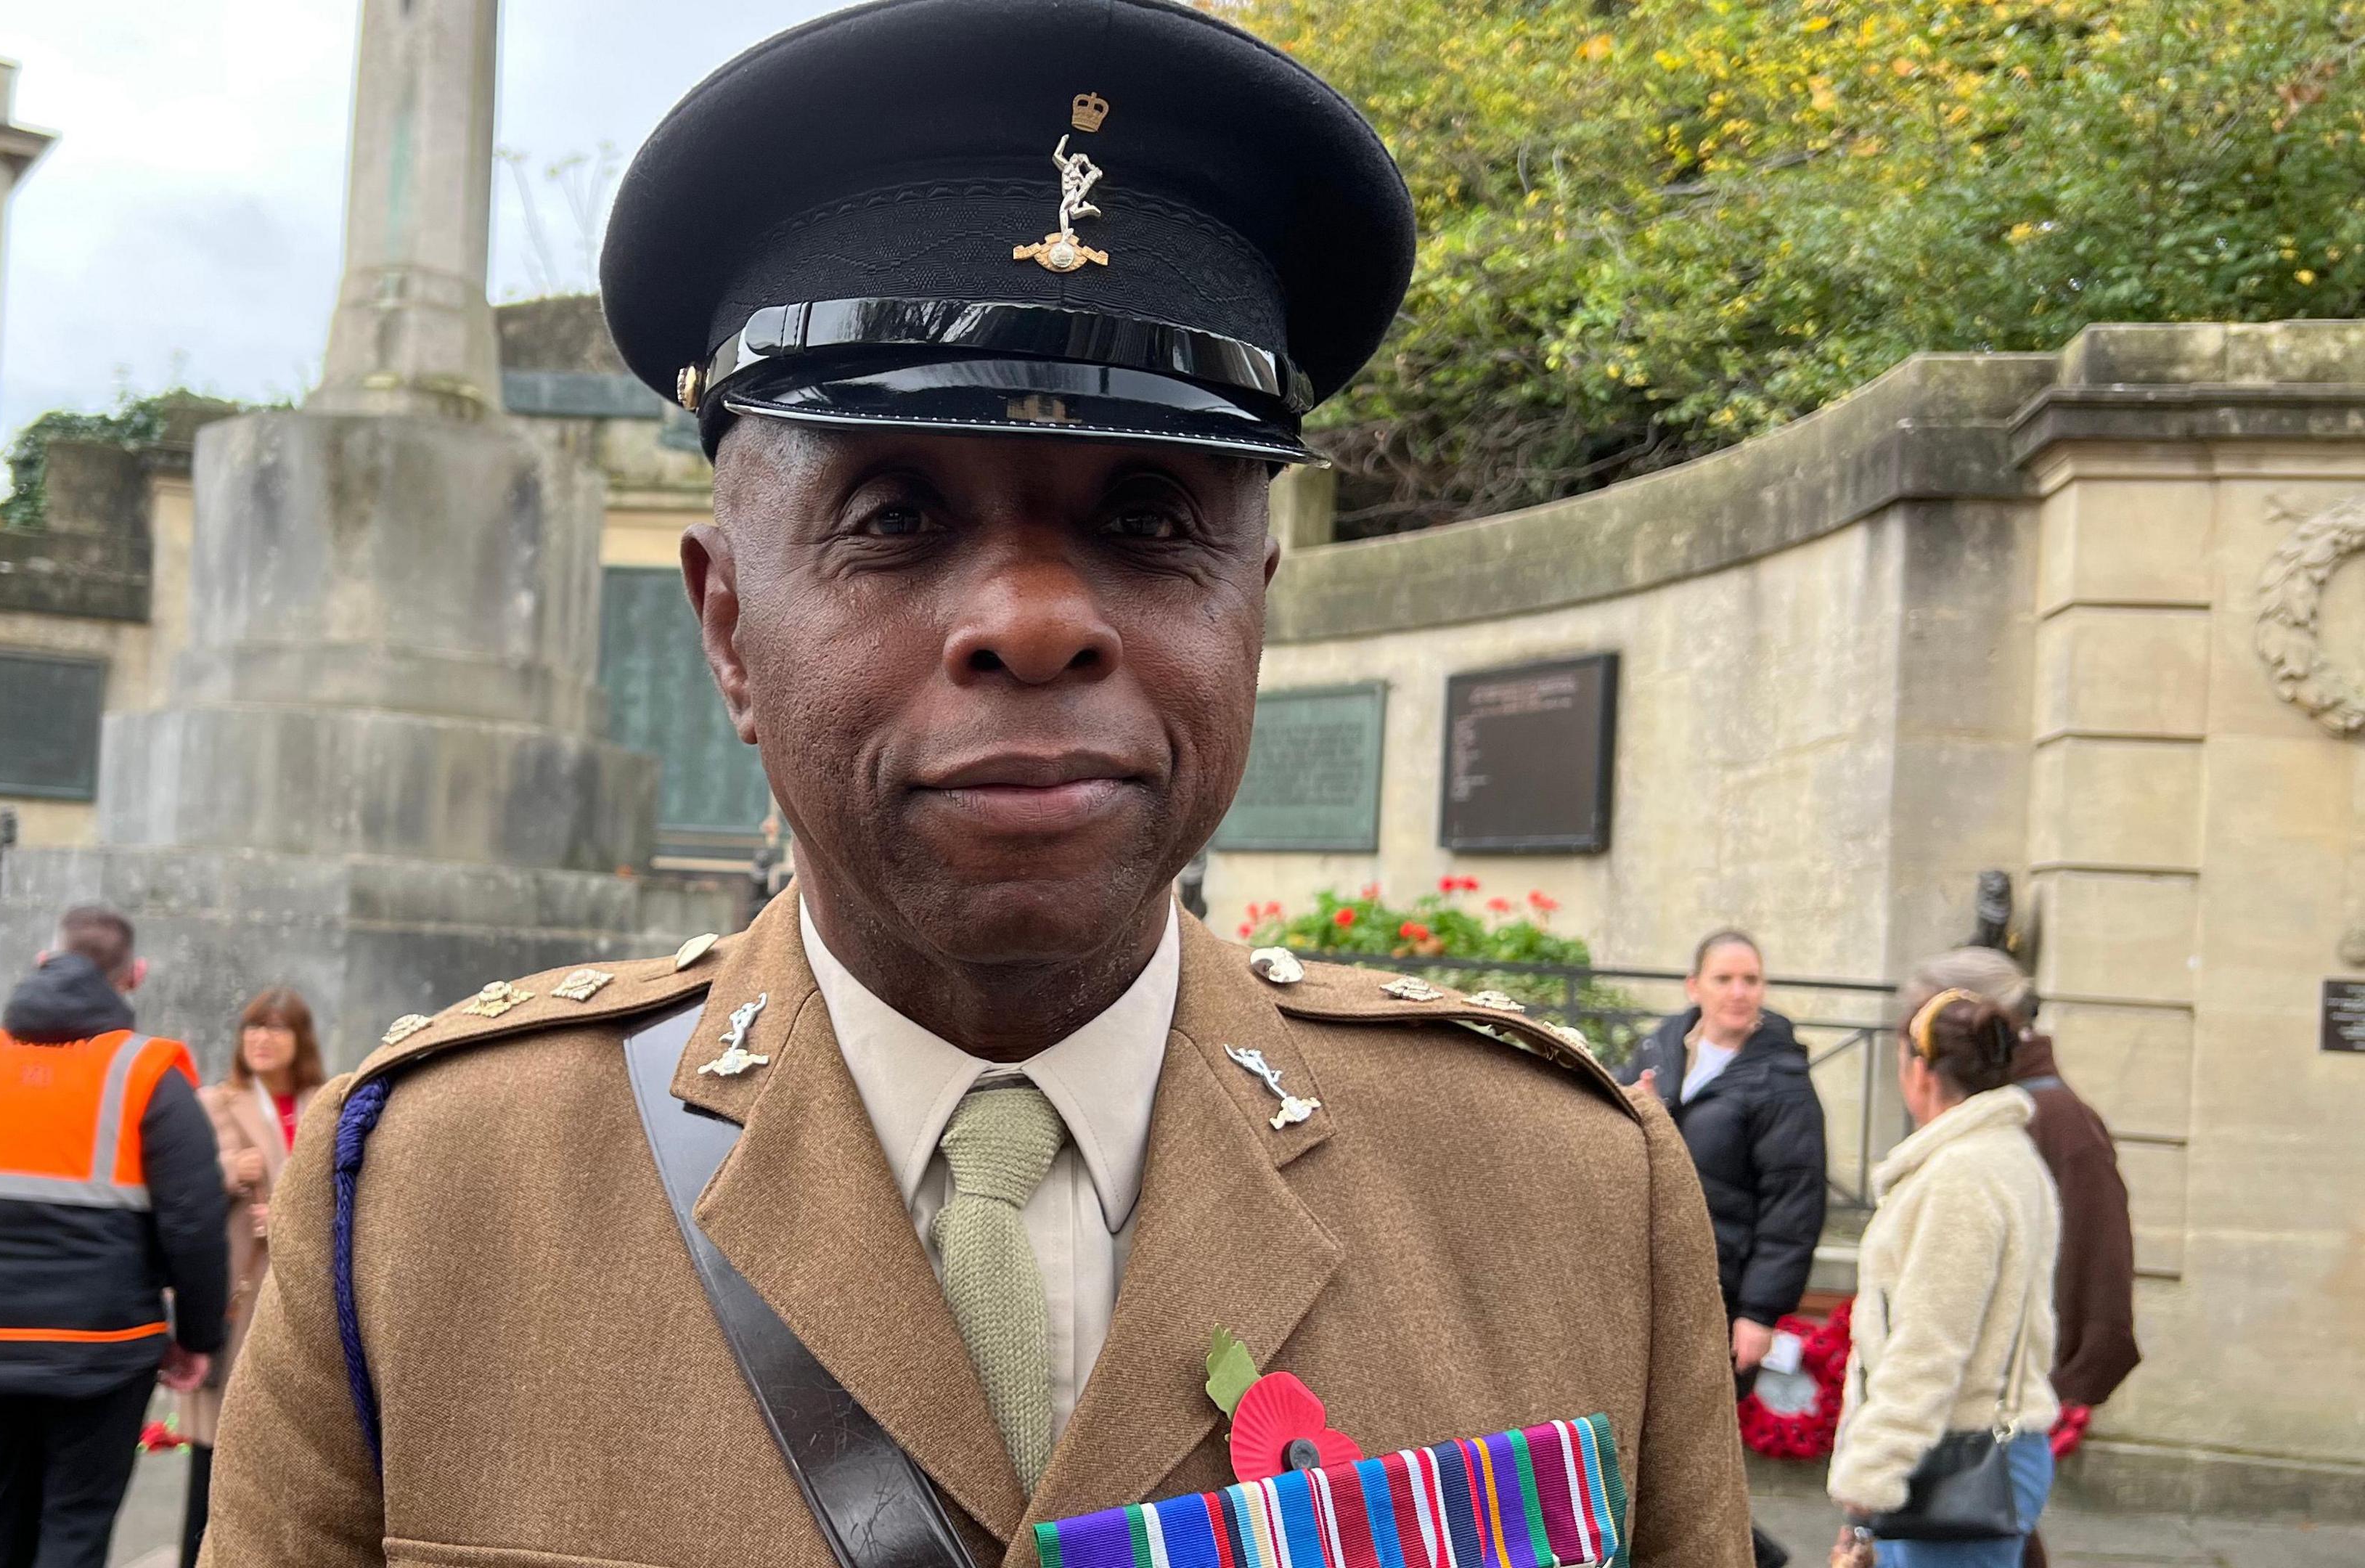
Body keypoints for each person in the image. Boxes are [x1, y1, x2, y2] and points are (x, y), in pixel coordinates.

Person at [201, 4, 1752, 1565]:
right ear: (730, 627)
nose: (1034, 620)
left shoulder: (1566, 1200)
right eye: (893, 517)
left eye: (1149, 518)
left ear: (1255, 606)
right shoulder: (423, 1208)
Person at [0, 905, 229, 1568]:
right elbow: (194, 1222)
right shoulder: (149, 1074)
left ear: (43, 960)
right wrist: (198, 1339)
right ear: (134, 975)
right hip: (103, 1344)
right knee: (75, 1524)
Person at [1900, 951, 2139, 1568]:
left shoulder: (2053, 1120)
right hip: (1961, 1416)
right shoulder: (1988, 1118)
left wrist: (2058, 1383)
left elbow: (2096, 1263)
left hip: (1994, 1414)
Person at [1829, 991, 2059, 1568]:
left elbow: (1931, 1342)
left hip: (1954, 1462)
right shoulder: (2003, 1154)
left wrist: (1873, 1469)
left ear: (1921, 1070)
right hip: (1970, 1454)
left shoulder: (1962, 1174)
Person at [1619, 930, 1826, 1568]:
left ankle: (1751, 1558)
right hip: (1649, 1283)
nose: (1739, 993)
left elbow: (1794, 1205)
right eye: (1725, 979)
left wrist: (1761, 1313)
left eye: (1751, 980)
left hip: (1724, 1290)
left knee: (1698, 1452)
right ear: (1694, 987)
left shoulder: (1782, 1080)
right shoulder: (1659, 1050)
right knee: (1654, 1448)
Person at [178, 988, 329, 1568]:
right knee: (215, 1451)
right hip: (237, 1291)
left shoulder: (326, 1102)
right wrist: (225, 1172)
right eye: (253, 1030)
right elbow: (181, 1188)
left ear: (300, 1040)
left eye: (276, 1029)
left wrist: (293, 1211)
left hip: (297, 1291)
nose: (262, 1040)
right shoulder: (216, 1102)